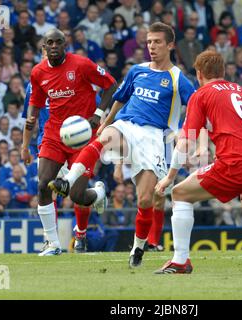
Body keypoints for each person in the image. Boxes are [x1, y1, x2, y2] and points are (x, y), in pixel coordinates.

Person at [48, 22, 195, 266]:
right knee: (102, 139)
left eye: (157, 42)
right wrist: (106, 121)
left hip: (154, 138)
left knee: (145, 200)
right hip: (127, 125)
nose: (152, 46)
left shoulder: (178, 78)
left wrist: (184, 132)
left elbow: (196, 106)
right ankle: (67, 181)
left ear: (170, 45)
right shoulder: (137, 70)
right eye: (149, 42)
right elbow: (120, 98)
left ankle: (138, 247)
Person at [154, 51, 242, 274]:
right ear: (223, 72)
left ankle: (180, 261)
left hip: (237, 163)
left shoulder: (201, 95)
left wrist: (169, 177)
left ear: (199, 74)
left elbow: (186, 141)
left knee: (180, 193)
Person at [21, 28, 116, 256]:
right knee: (43, 184)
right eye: (49, 43)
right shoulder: (37, 72)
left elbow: (111, 84)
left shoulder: (82, 64)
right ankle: (53, 244)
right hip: (54, 133)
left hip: (82, 136)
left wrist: (98, 112)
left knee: (76, 196)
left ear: (66, 45)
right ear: (44, 47)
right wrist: (25, 143)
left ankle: (99, 193)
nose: (54, 46)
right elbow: (35, 103)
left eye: (58, 42)